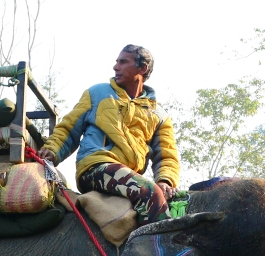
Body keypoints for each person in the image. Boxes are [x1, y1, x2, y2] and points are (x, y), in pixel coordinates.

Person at [38, 45, 178, 222]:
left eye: (123, 62)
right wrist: (52, 151)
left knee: (174, 201)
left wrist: (165, 181)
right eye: (116, 62)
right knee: (148, 192)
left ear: (142, 69)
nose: (115, 67)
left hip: (128, 176)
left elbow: (167, 156)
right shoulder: (98, 93)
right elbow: (69, 127)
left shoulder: (160, 115)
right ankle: (161, 248)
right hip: (95, 167)